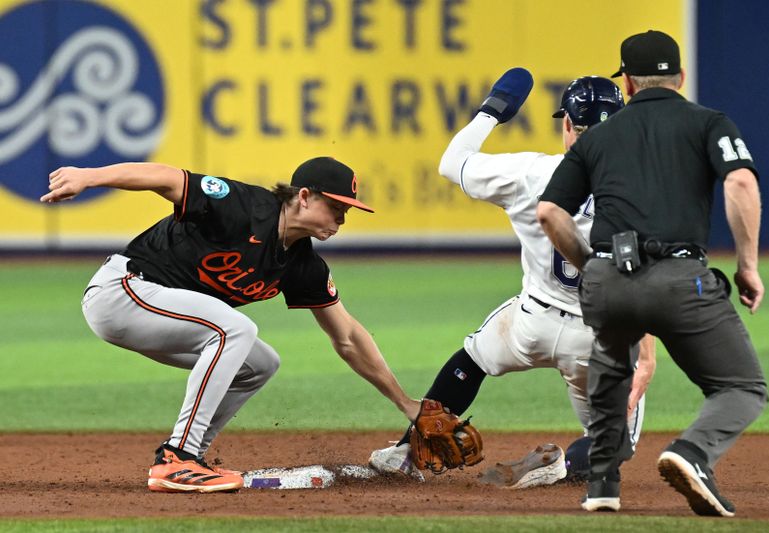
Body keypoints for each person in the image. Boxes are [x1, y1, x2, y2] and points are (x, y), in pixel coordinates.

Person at [41, 157, 420, 493]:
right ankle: (177, 459)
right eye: (337, 206)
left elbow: (349, 337)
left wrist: (406, 404)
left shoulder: (303, 264)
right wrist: (89, 176)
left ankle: (194, 459)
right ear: (304, 196)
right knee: (235, 329)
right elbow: (166, 177)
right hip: (123, 291)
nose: (342, 218)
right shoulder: (245, 206)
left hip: (157, 312)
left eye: (347, 210)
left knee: (260, 364)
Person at [368, 69, 656, 487]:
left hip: (531, 322)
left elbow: (452, 165)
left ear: (569, 126)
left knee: (474, 358)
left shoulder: (532, 174)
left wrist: (493, 109)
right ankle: (564, 465)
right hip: (601, 339)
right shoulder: (647, 189)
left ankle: (407, 453)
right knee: (614, 443)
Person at [537, 30, 768, 516]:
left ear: (626, 84)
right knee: (742, 387)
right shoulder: (709, 123)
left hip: (607, 281)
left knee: (610, 366)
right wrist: (747, 265)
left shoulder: (596, 137)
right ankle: (693, 453)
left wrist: (592, 267)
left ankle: (602, 482)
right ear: (680, 77)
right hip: (680, 278)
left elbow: (550, 214)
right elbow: (742, 182)